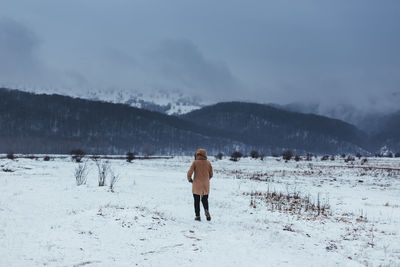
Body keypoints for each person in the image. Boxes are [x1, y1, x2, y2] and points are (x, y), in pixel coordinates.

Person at [187, 149, 213, 221]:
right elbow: (211, 174)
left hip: (196, 184)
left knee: (196, 200)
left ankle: (198, 216)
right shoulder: (208, 163)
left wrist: (190, 179)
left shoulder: (195, 162)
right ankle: (206, 210)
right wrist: (206, 180)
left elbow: (190, 172)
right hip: (206, 184)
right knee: (205, 199)